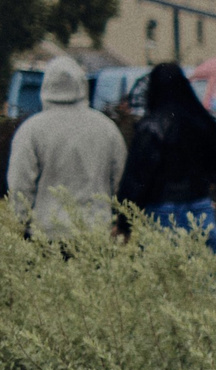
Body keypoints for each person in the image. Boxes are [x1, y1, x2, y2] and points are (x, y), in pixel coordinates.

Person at [6, 55, 126, 235]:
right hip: (96, 230)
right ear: (82, 84)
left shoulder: (31, 130)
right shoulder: (107, 128)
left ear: (46, 86)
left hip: (47, 231)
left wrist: (22, 221)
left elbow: (20, 184)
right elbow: (119, 179)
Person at [116, 62, 216, 250]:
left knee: (164, 272)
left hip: (160, 207)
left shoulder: (150, 127)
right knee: (204, 271)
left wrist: (124, 222)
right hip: (199, 203)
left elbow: (136, 179)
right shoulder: (203, 122)